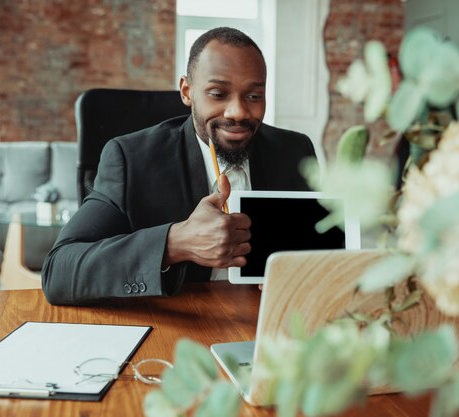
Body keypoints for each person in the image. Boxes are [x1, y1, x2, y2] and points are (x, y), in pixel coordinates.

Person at [42, 27, 317, 305]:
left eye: (254, 96)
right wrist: (175, 243)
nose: (238, 112)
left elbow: (315, 253)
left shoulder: (293, 151)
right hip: (176, 328)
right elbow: (59, 271)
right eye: (218, 94)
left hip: (264, 323)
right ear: (187, 91)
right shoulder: (131, 159)